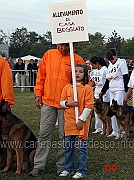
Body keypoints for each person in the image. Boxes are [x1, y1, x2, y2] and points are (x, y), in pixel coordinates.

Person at [29, 43, 85, 177]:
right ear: (57, 43)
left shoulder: (77, 59)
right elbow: (41, 76)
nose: (64, 48)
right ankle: (39, 165)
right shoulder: (49, 54)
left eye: (66, 45)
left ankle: (62, 166)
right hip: (48, 101)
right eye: (61, 45)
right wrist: (38, 94)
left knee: (64, 136)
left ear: (72, 45)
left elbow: (84, 82)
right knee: (44, 133)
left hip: (67, 104)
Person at [59, 64, 94, 179]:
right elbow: (61, 102)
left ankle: (81, 170)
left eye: (80, 71)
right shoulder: (67, 87)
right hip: (69, 123)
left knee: (81, 147)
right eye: (75, 71)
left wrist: (81, 120)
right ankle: (68, 169)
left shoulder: (87, 88)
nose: (78, 73)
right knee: (68, 147)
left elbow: (89, 106)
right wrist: (68, 104)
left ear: (85, 74)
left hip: (81, 124)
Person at [100, 48, 129, 139]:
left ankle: (123, 131)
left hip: (120, 89)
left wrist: (127, 91)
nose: (111, 61)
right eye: (109, 59)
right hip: (112, 89)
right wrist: (103, 90)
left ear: (116, 55)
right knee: (112, 110)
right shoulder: (110, 66)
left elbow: (125, 77)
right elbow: (108, 80)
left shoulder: (121, 63)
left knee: (120, 110)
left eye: (112, 59)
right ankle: (115, 130)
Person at [90, 56, 110, 134]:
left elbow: (107, 81)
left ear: (97, 63)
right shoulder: (94, 71)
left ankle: (104, 128)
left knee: (104, 110)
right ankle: (98, 128)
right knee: (96, 110)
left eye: (93, 64)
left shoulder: (105, 69)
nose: (92, 66)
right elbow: (93, 81)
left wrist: (104, 90)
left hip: (105, 91)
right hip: (97, 90)